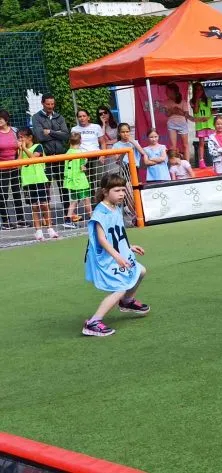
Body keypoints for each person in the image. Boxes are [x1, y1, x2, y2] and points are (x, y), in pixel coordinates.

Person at [82, 174, 149, 337]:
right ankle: (93, 322)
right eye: (117, 190)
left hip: (119, 253)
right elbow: (102, 239)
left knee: (140, 271)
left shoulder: (116, 208)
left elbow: (116, 234)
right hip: (107, 258)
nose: (121, 194)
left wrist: (128, 247)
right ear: (105, 192)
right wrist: (117, 256)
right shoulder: (101, 213)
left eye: (123, 190)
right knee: (120, 288)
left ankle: (126, 302)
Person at [31, 94, 70, 220]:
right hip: (45, 158)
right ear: (42, 103)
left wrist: (50, 132)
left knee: (63, 186)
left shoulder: (59, 117)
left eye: (52, 104)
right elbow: (40, 136)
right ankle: (47, 218)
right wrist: (57, 134)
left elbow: (66, 136)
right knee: (45, 187)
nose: (50, 106)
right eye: (48, 104)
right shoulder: (36, 117)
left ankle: (67, 215)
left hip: (60, 156)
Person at [17, 128, 57, 240]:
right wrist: (21, 150)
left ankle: (50, 228)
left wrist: (24, 148)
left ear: (30, 137)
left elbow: (33, 158)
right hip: (28, 181)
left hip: (40, 180)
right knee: (34, 206)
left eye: (22, 137)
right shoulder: (21, 150)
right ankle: (38, 231)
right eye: (19, 137)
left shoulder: (38, 146)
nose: (20, 139)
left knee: (44, 204)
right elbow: (18, 165)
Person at [0, 109, 25, 229]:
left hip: (15, 166)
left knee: (17, 193)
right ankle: (5, 221)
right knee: (3, 194)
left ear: (6, 119)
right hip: (2, 168)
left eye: (0, 119)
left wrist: (19, 157)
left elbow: (20, 146)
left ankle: (20, 219)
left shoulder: (14, 131)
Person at [63, 132, 92, 224]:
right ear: (81, 141)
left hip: (71, 181)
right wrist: (84, 167)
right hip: (80, 181)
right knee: (86, 199)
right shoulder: (80, 153)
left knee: (74, 201)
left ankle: (68, 219)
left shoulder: (68, 152)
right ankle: (92, 217)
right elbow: (82, 167)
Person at [162, 84, 192, 165]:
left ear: (173, 91)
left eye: (168, 91)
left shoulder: (183, 102)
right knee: (173, 145)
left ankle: (187, 164)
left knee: (185, 145)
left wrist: (178, 111)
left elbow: (186, 115)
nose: (166, 93)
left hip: (182, 123)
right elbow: (167, 114)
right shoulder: (166, 102)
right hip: (171, 124)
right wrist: (172, 111)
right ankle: (174, 163)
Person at [192, 82, 214, 168]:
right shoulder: (192, 101)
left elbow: (210, 111)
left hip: (209, 124)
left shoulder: (208, 100)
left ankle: (215, 158)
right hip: (200, 125)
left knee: (213, 141)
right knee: (201, 143)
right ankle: (201, 161)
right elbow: (196, 111)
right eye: (197, 90)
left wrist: (210, 116)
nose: (199, 91)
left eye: (200, 89)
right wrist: (197, 99)